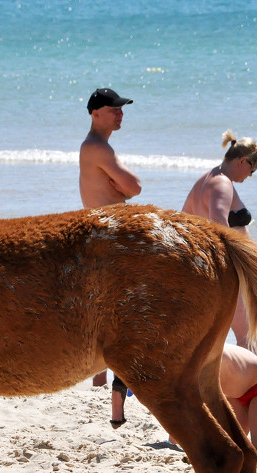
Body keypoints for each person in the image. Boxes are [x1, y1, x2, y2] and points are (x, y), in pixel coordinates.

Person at [80, 87, 143, 425]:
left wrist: (120, 186)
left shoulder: (96, 148)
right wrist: (123, 187)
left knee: (109, 316)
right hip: (110, 239)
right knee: (121, 318)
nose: (120, 114)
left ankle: (100, 383)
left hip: (101, 236)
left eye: (121, 109)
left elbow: (126, 187)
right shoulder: (97, 147)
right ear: (95, 113)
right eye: (113, 109)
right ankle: (115, 408)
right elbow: (134, 187)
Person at [181, 130, 257, 348]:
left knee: (209, 340)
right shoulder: (223, 184)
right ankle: (250, 383)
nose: (250, 176)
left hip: (204, 268)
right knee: (246, 337)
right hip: (228, 270)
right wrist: (237, 271)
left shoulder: (205, 180)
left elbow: (184, 223)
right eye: (252, 170)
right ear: (243, 161)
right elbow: (220, 227)